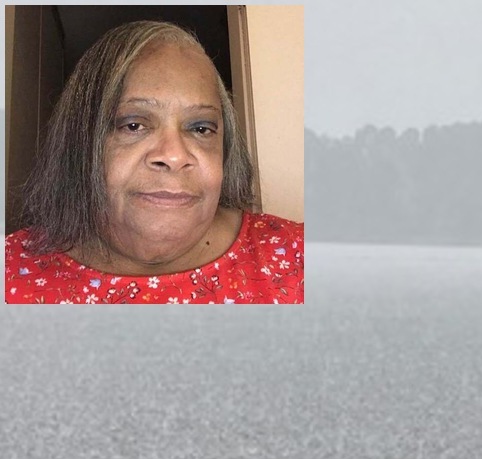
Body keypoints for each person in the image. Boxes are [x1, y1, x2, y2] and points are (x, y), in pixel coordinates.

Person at [5, 20, 302, 304]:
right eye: (133, 125)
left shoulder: (300, 258)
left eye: (200, 128)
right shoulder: (11, 270)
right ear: (80, 143)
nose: (174, 156)